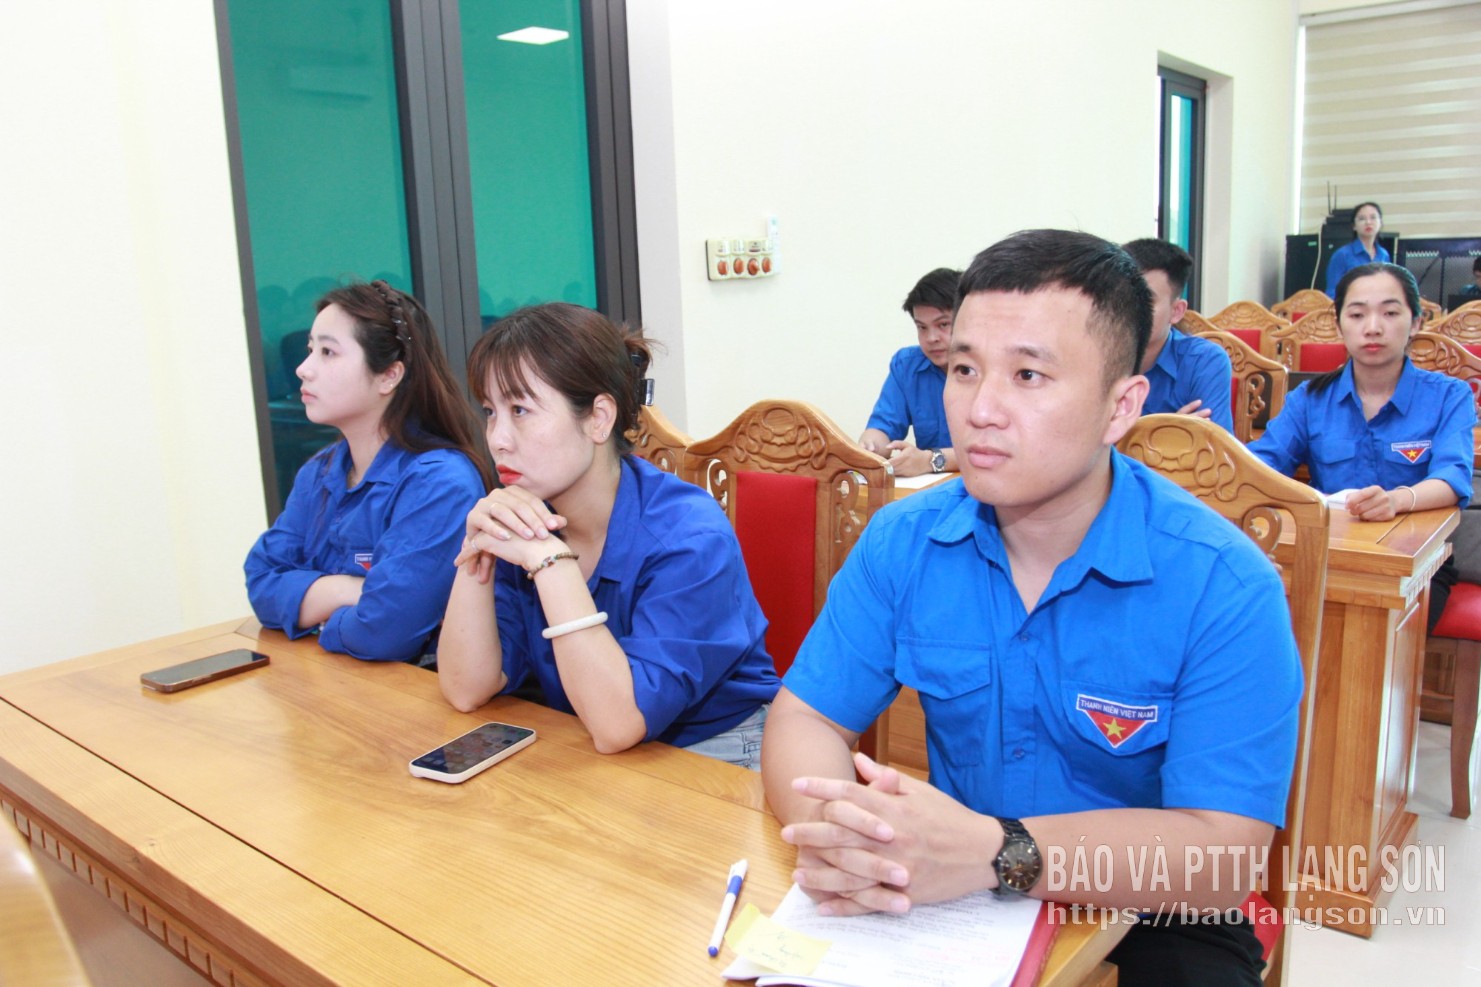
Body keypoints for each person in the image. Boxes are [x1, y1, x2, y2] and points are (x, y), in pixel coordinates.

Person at [762, 230, 1302, 986]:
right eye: (963, 369)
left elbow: (1221, 856)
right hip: (953, 892)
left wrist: (998, 851)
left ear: (1120, 407)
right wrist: (847, 837)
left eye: (1027, 375)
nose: (980, 409)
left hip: (1156, 909)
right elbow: (805, 718)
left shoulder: (1223, 582)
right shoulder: (903, 541)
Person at [437, 303, 780, 766]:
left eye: (520, 410)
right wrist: (476, 549)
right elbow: (466, 688)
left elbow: (620, 722)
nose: (497, 438)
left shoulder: (688, 536)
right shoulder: (528, 517)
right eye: (489, 412)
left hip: (715, 751)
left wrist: (550, 562)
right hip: (587, 737)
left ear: (598, 418)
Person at [245, 281, 491, 662]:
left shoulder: (439, 482)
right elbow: (262, 583)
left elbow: (384, 632)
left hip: (409, 691)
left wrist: (315, 615)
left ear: (389, 375)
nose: (303, 369)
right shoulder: (319, 471)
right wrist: (348, 589)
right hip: (330, 680)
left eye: (328, 352)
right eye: (310, 350)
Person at [1250, 262, 1475, 626]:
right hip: (1327, 554)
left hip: (1416, 564)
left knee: (1379, 627)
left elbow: (1452, 478)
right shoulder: (1309, 399)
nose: (1373, 327)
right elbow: (1261, 466)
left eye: (1390, 313)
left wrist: (1396, 500)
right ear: (1340, 325)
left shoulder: (1449, 396)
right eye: (1357, 314)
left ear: (1416, 322)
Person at [1121, 238, 1234, 431]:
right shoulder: (1094, 355)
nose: (1130, 309)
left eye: (1146, 300)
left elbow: (1213, 446)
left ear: (1176, 311)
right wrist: (1170, 434)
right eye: (1122, 296)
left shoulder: (1203, 361)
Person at [860, 268, 962, 477]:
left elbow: (1000, 450)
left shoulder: (994, 366)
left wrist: (930, 460)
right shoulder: (906, 366)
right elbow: (883, 426)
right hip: (933, 487)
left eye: (943, 324)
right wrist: (870, 447)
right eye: (922, 327)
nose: (931, 338)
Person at [1324, 201, 1390, 298]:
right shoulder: (1342, 255)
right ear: (1354, 226)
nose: (1368, 222)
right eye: (1362, 219)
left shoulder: (1384, 255)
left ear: (1380, 223)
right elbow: (1332, 292)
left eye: (1373, 217)